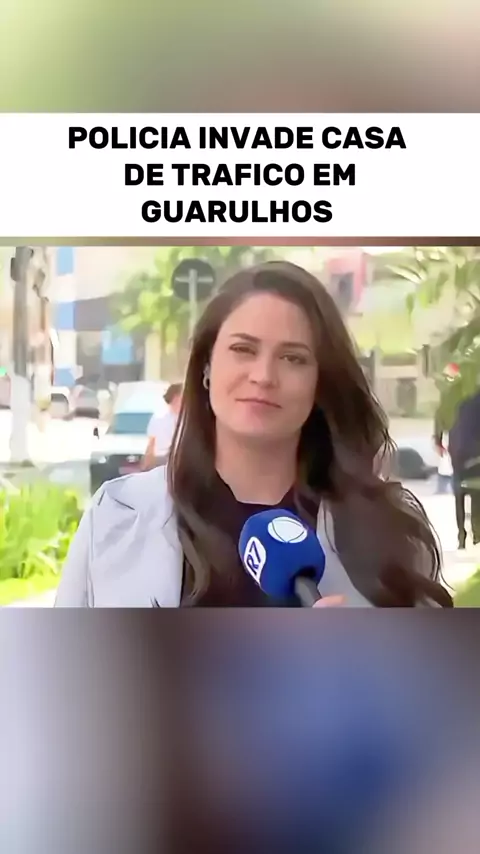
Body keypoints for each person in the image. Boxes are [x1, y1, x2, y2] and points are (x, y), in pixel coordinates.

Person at [55, 261, 452, 608]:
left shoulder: (386, 528)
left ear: (321, 383)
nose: (263, 376)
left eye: (293, 358)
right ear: (206, 367)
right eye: (243, 350)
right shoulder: (117, 516)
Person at [434, 389, 480, 548]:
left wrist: (438, 439)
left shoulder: (461, 405)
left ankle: (462, 536)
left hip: (459, 455)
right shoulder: (472, 405)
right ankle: (476, 534)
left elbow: (442, 418)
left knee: (460, 495)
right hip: (473, 455)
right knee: (476, 495)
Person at [142, 381, 183, 471]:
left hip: (180, 459)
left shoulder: (187, 418)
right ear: (174, 398)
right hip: (161, 460)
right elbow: (151, 443)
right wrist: (147, 464)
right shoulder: (159, 417)